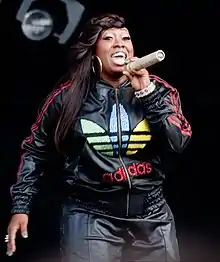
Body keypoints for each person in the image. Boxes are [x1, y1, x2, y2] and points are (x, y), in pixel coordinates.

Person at [6, 13, 192, 262]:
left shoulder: (159, 91)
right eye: (109, 38)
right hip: (91, 216)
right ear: (94, 52)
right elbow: (35, 150)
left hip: (152, 215)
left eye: (125, 38)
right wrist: (21, 206)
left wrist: (147, 94)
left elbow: (177, 141)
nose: (119, 44)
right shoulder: (68, 98)